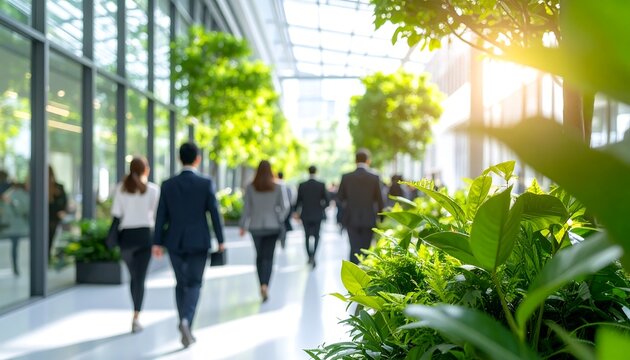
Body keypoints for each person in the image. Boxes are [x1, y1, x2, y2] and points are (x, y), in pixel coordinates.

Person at [153, 142, 225, 348]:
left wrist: (157, 242)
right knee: (195, 283)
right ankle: (186, 322)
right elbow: (214, 213)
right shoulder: (205, 183)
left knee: (180, 283)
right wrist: (221, 240)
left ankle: (183, 321)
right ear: (197, 159)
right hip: (199, 241)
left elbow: (161, 216)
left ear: (179, 159)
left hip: (174, 241)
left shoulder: (168, 184)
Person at [111, 157, 160, 334]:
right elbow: (156, 218)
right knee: (140, 279)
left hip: (127, 239)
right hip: (145, 237)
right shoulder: (153, 190)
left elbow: (116, 216)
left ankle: (135, 314)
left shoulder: (121, 189)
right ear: (146, 170)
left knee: (134, 278)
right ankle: (136, 316)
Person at [239, 160, 290, 302]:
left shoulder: (250, 187)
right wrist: (278, 217)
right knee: (269, 257)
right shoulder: (278, 186)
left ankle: (261, 283)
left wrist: (243, 226)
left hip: (255, 227)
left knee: (259, 256)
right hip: (272, 226)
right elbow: (285, 206)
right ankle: (266, 285)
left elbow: (247, 209)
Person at [337, 149, 384, 264]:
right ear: (368, 161)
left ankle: (353, 276)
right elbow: (379, 199)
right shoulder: (375, 177)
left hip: (351, 218)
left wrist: (341, 217)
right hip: (369, 218)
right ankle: (365, 274)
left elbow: (339, 199)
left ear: (355, 160)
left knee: (354, 247)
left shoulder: (346, 177)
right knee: (367, 249)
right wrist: (381, 217)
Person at [294, 165, 329, 268]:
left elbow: (298, 201)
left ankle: (309, 256)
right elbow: (327, 201)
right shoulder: (321, 184)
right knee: (317, 236)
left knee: (306, 236)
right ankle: (314, 255)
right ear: (316, 171)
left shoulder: (302, 185)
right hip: (318, 214)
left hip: (305, 214)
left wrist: (296, 212)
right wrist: (321, 207)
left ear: (308, 171)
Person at [48, 166, 67, 260]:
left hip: (54, 217)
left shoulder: (58, 187)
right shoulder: (39, 187)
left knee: (51, 238)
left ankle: (47, 258)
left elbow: (64, 202)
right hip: (45, 217)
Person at [276, 171, 293, 249]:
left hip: (275, 211)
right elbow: (291, 199)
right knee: (284, 227)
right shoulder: (287, 186)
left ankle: (278, 239)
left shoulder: (274, 186)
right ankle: (283, 241)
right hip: (286, 210)